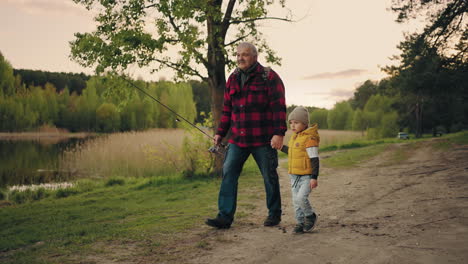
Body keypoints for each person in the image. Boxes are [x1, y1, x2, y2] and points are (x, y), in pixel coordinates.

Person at [205, 42, 287, 229]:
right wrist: (220, 133)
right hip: (238, 139)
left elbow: (279, 108)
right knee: (229, 174)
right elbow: (227, 110)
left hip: (263, 138)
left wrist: (279, 133)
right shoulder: (232, 78)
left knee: (269, 176)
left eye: (245, 55)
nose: (240, 58)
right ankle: (224, 217)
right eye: (238, 55)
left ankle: (274, 214)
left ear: (255, 57)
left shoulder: (269, 76)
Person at [281, 106, 320, 234]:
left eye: (296, 123)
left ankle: (310, 216)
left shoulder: (309, 139)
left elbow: (314, 159)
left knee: (301, 198)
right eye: (291, 123)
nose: (292, 126)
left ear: (305, 123)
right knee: (295, 202)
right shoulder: (295, 137)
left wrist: (314, 177)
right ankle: (300, 222)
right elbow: (293, 152)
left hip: (306, 177)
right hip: (294, 176)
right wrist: (281, 147)